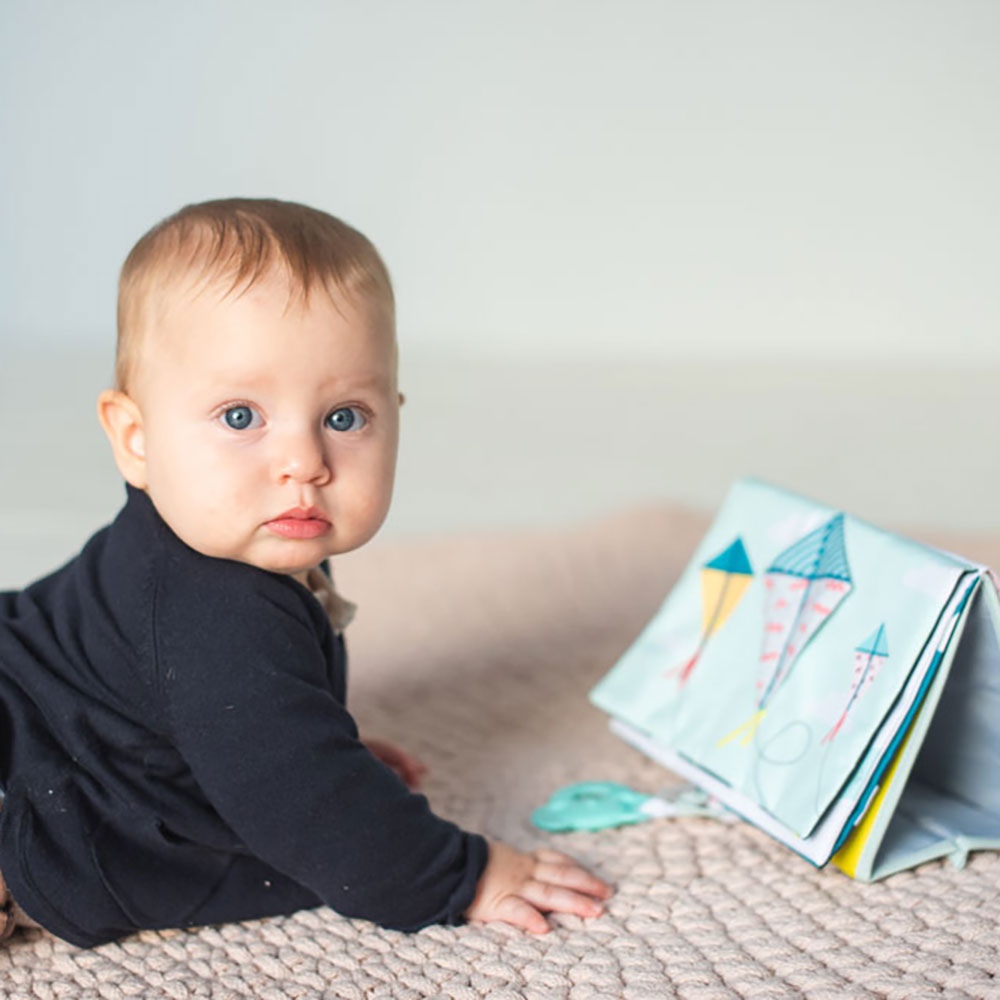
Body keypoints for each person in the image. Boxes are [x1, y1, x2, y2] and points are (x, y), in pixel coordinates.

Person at [0, 198, 612, 948]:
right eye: (239, 417)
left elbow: (249, 732)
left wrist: (303, 737)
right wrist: (462, 873)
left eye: (345, 417)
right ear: (136, 438)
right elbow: (306, 806)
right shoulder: (212, 614)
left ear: (395, 412)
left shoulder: (200, 552)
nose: (305, 462)